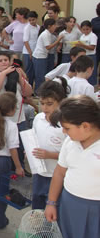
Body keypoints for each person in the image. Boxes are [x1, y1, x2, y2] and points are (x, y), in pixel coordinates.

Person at [44, 96, 100, 238]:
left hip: (96, 210)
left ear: (85, 126)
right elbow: (60, 172)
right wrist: (51, 202)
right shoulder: (70, 142)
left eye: (67, 128)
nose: (64, 132)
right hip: (70, 205)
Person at [31, 80, 67, 209]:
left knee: (53, 209)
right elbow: (34, 139)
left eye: (50, 104)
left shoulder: (65, 125)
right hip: (39, 173)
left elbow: (71, 155)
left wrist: (50, 155)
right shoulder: (38, 119)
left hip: (57, 175)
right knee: (37, 208)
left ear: (61, 102)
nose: (45, 108)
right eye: (42, 103)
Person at [0, 92, 23, 229]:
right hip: (3, 162)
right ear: (10, 110)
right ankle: (0, 219)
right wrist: (18, 166)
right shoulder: (11, 125)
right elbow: (13, 149)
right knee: (2, 193)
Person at [32, 18, 64, 91]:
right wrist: (58, 40)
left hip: (43, 56)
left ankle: (41, 91)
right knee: (40, 76)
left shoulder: (49, 34)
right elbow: (48, 47)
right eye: (54, 25)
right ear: (49, 26)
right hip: (39, 57)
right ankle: (38, 92)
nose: (55, 27)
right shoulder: (45, 34)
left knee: (43, 75)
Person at [22, 11, 40, 87]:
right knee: (28, 71)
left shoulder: (38, 27)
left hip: (36, 51)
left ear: (36, 19)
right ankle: (28, 88)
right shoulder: (27, 28)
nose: (32, 22)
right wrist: (30, 53)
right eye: (30, 20)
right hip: (28, 52)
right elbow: (25, 41)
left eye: (33, 19)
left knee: (35, 71)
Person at [77, 20, 98, 85]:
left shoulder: (93, 36)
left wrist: (82, 45)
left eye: (87, 29)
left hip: (91, 56)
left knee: (91, 72)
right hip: (84, 55)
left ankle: (92, 86)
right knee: (84, 71)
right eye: (83, 29)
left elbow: (92, 47)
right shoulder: (82, 36)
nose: (85, 31)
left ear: (91, 28)